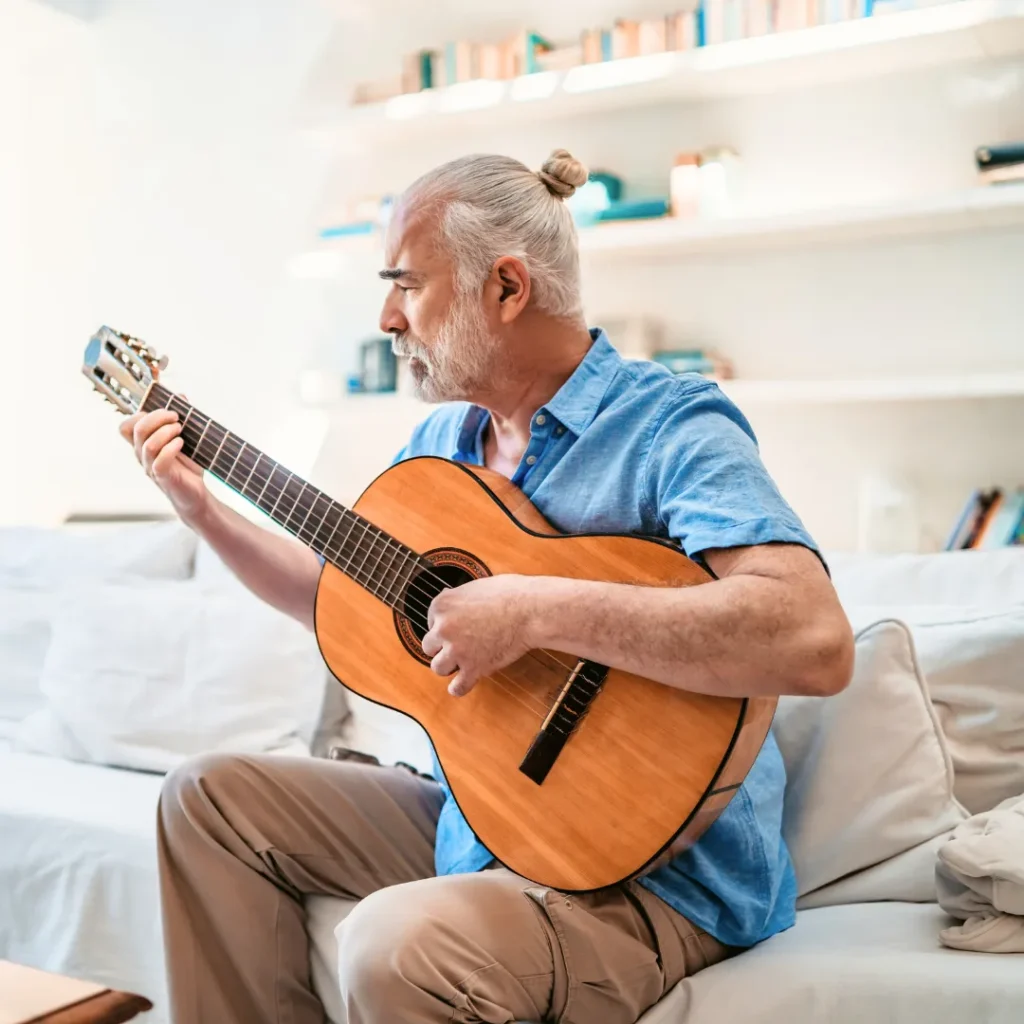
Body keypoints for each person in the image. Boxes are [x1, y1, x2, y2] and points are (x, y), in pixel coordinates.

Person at [122, 148, 854, 1024]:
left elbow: (811, 637)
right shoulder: (442, 446)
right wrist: (203, 511)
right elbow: (338, 594)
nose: (388, 318)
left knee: (396, 943)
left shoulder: (669, 424)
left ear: (507, 288)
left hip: (655, 876)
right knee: (206, 802)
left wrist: (533, 610)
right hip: (485, 820)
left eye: (407, 284)